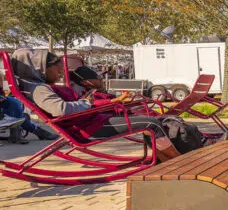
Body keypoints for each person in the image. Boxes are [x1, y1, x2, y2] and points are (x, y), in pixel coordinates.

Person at [9, 48, 180, 161]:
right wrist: (86, 103)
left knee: (149, 120)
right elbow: (60, 109)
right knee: (151, 123)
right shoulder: (39, 89)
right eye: (58, 70)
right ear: (39, 68)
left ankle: (164, 158)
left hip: (91, 121)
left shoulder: (39, 86)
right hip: (88, 128)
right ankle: (174, 162)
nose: (61, 74)